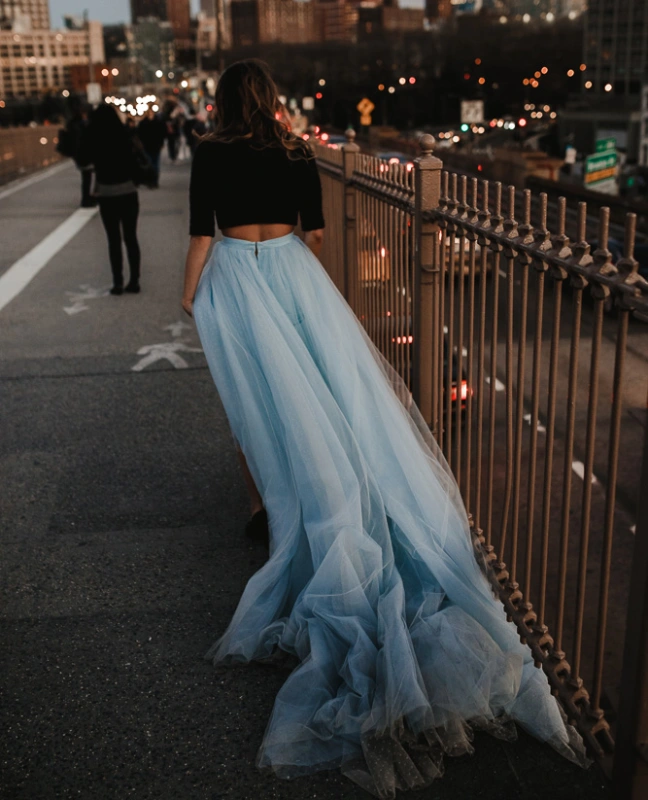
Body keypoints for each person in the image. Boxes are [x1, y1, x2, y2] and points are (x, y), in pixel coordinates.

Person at [182, 60, 589, 798]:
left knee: (270, 409)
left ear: (220, 102)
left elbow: (202, 239)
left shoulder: (211, 153)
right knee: (329, 404)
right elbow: (311, 229)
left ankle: (280, 509)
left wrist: (187, 300)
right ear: (272, 102)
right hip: (296, 276)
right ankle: (330, 509)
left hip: (241, 276)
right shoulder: (299, 153)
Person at [79, 104, 141, 295]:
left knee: (113, 240)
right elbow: (135, 160)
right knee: (130, 237)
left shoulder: (93, 136)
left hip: (107, 195)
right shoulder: (124, 134)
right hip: (128, 192)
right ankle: (134, 282)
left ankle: (117, 283)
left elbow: (83, 160)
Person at [137, 108, 167, 187]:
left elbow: (162, 133)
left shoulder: (158, 122)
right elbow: (140, 134)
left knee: (155, 163)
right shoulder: (143, 122)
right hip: (147, 146)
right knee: (150, 163)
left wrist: (161, 143)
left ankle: (155, 181)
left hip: (156, 145)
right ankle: (150, 180)